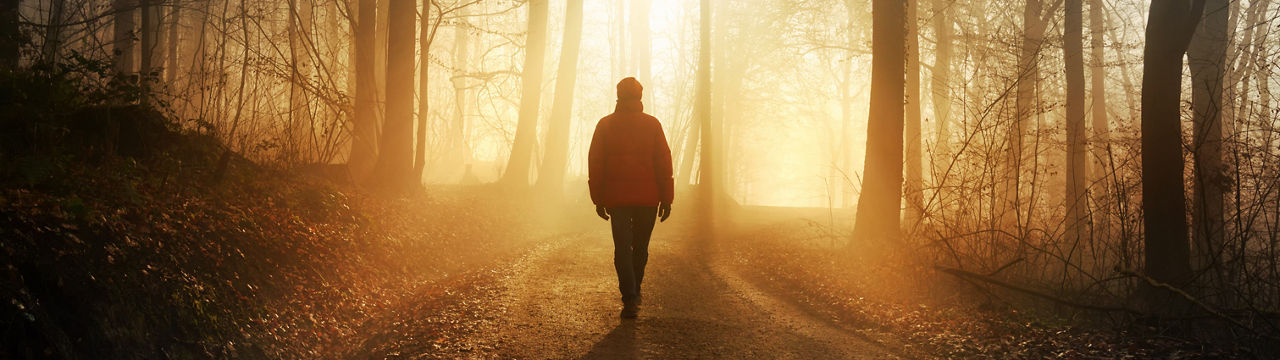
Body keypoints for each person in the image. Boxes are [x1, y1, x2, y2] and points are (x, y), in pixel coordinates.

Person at [588, 77, 674, 319]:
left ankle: (630, 297)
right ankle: (635, 292)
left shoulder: (605, 125)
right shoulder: (652, 125)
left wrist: (598, 198)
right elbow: (663, 162)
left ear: (618, 96)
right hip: (648, 199)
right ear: (640, 97)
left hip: (618, 200)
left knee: (622, 249)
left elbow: (596, 162)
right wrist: (666, 198)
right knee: (640, 248)